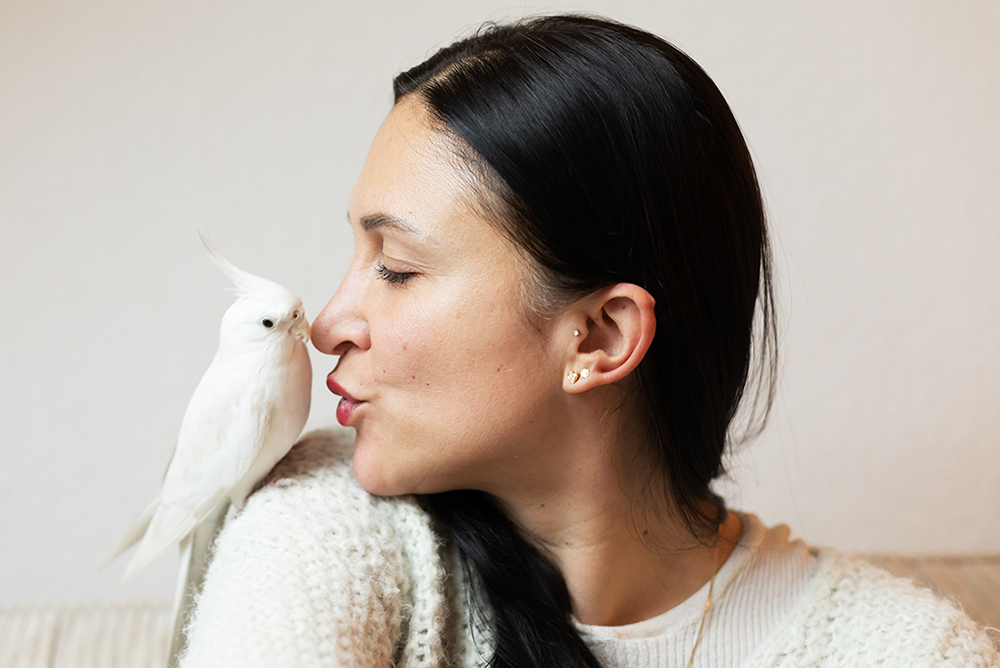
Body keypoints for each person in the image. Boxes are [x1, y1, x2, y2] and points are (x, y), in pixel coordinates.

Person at [179, 14, 999, 668]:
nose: (326, 326)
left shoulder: (911, 652)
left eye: (395, 267)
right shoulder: (321, 530)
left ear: (600, 337)